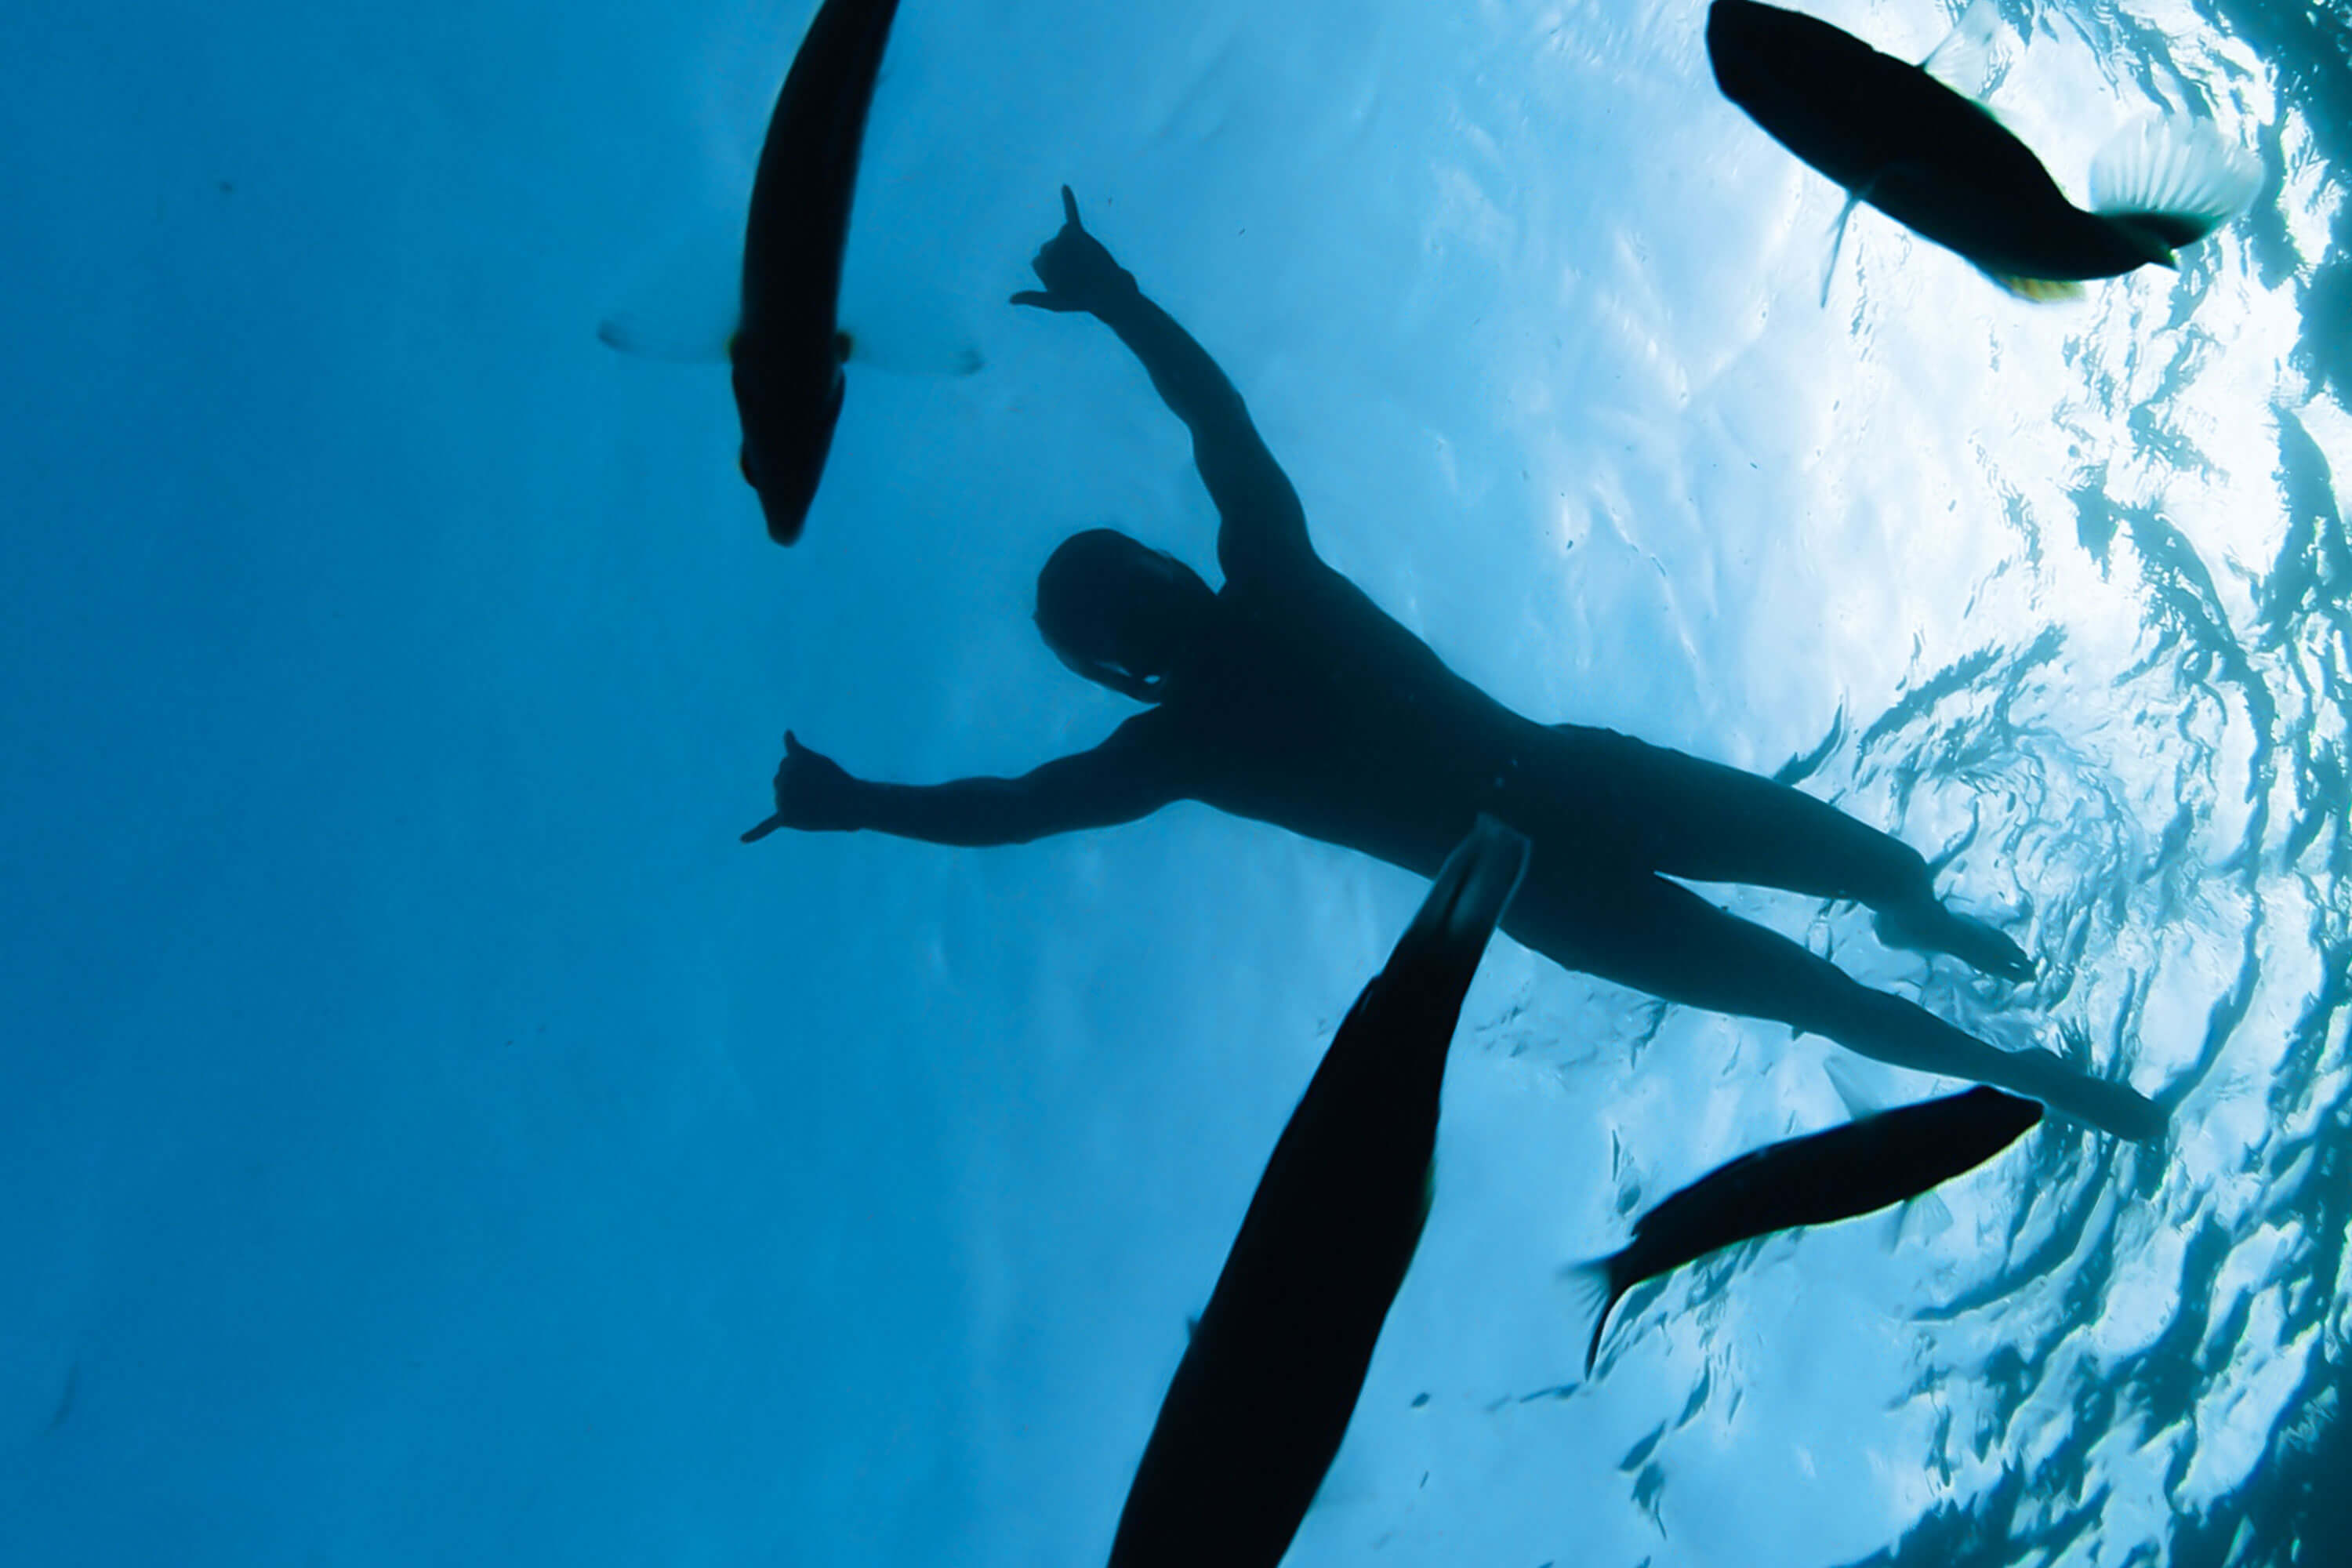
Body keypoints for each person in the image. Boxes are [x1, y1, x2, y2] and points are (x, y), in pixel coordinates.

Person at [742, 186, 2162, 1144]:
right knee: (1813, 991)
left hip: (1573, 812)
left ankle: (1929, 929)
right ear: (1127, 650)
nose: (1138, 620)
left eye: (1121, 598)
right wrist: (854, 800)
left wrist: (1119, 298)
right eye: (1114, 619)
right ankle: (2023, 1072)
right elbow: (1017, 804)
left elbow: (1211, 424)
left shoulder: (1254, 607)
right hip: (1561, 866)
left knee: (1869, 878)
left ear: (1151, 600)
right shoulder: (1204, 702)